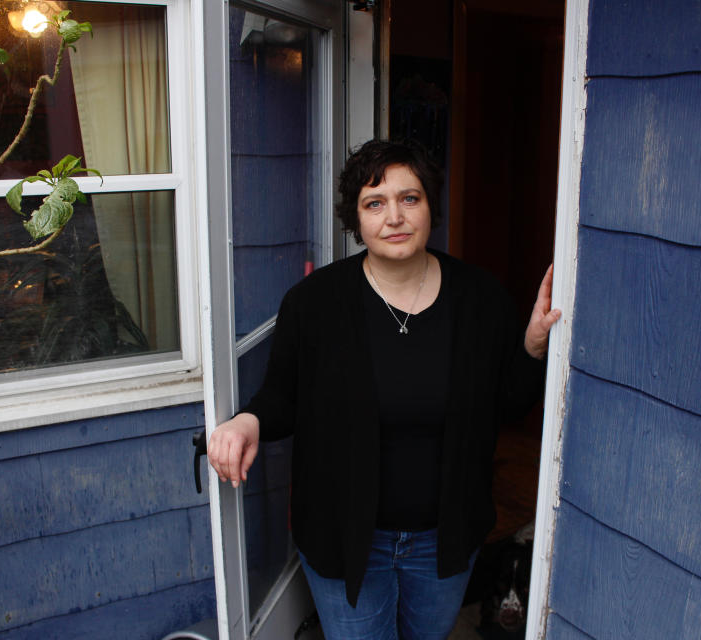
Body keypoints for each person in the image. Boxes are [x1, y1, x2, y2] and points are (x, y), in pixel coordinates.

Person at [208, 139, 561, 639]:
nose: (394, 216)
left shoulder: (480, 298)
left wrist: (530, 348)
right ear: (356, 220)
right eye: (375, 203)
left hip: (445, 541)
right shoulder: (314, 304)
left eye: (409, 198)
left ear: (430, 206)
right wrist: (248, 421)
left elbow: (509, 405)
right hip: (345, 537)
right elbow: (282, 398)